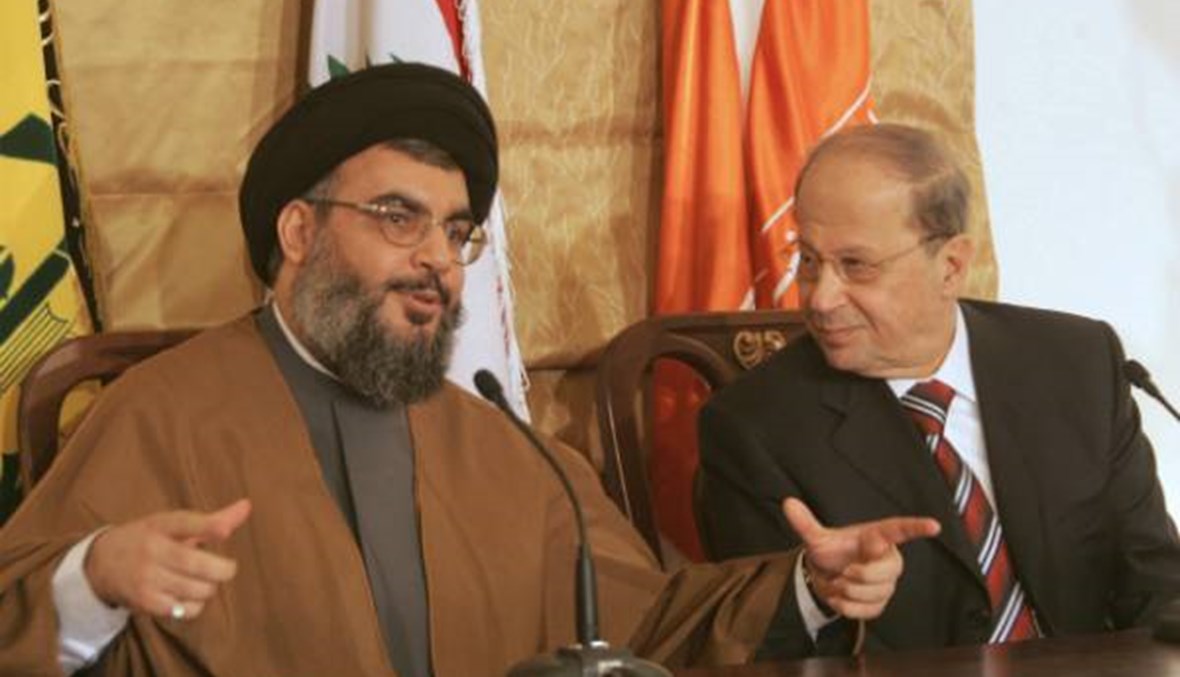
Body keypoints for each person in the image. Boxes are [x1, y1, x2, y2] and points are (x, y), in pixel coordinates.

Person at [0, 65, 940, 676]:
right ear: (298, 232)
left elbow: (644, 622)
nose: (438, 261)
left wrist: (809, 586)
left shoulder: (500, 445)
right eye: (398, 217)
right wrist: (95, 574)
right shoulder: (163, 411)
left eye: (456, 232)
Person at [697, 122, 1180, 658]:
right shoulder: (755, 427)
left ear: (951, 266)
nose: (820, 298)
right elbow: (756, 649)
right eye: (809, 261)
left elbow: (1156, 582)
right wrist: (815, 593)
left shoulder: (1075, 363)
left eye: (856, 266)